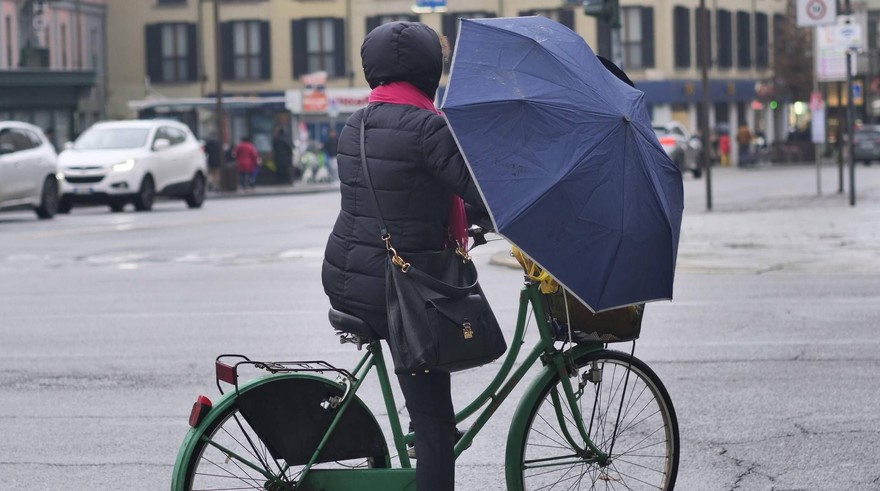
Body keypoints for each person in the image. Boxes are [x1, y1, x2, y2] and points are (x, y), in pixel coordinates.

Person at [321, 22, 488, 491]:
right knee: (435, 426)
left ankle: (422, 422)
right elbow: (474, 189)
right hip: (397, 293)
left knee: (428, 397)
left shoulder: (355, 123)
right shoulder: (427, 127)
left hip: (349, 279)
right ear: (428, 69)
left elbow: (403, 195)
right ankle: (428, 430)